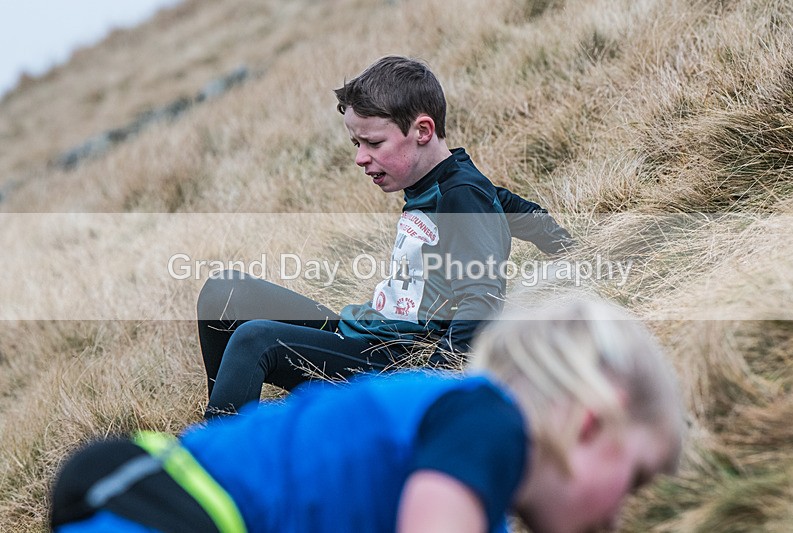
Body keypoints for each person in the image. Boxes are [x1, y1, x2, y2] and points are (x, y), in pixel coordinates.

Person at [50, 295, 685, 533]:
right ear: (591, 421)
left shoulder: (475, 482)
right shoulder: (489, 424)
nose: (617, 516)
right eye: (634, 480)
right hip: (174, 509)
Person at [197, 55, 573, 417]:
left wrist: (428, 385)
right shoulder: (444, 181)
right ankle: (227, 414)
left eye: (373, 144)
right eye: (356, 144)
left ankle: (216, 462)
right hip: (365, 330)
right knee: (222, 292)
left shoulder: (460, 195)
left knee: (255, 340)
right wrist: (573, 248)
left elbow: (482, 297)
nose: (361, 158)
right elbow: (516, 211)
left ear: (422, 131)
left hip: (386, 365)